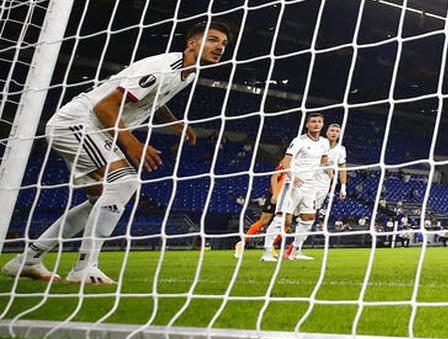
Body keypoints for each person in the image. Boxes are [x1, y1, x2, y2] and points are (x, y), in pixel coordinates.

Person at [4, 21, 230, 285]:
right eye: (213, 40)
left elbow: (153, 100)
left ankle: (28, 260)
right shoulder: (162, 68)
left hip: (96, 129)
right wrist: (131, 142)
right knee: (125, 182)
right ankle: (84, 268)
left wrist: (175, 124)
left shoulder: (187, 73)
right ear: (192, 43)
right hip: (78, 123)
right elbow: (104, 106)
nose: (220, 48)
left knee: (98, 199)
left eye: (224, 44)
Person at [261, 113, 331, 262]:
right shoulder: (298, 141)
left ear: (322, 124)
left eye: (319, 121)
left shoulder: (324, 143)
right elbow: (286, 162)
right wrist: (292, 177)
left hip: (310, 185)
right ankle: (267, 252)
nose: (316, 124)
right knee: (282, 218)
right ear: (307, 125)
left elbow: (324, 161)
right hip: (293, 183)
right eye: (313, 121)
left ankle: (296, 251)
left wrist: (331, 173)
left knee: (309, 217)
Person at [234, 166, 286, 258]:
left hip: (289, 195)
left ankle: (271, 245)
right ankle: (242, 243)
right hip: (276, 194)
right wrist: (275, 194)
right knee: (264, 220)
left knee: (287, 222)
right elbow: (274, 176)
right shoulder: (287, 160)